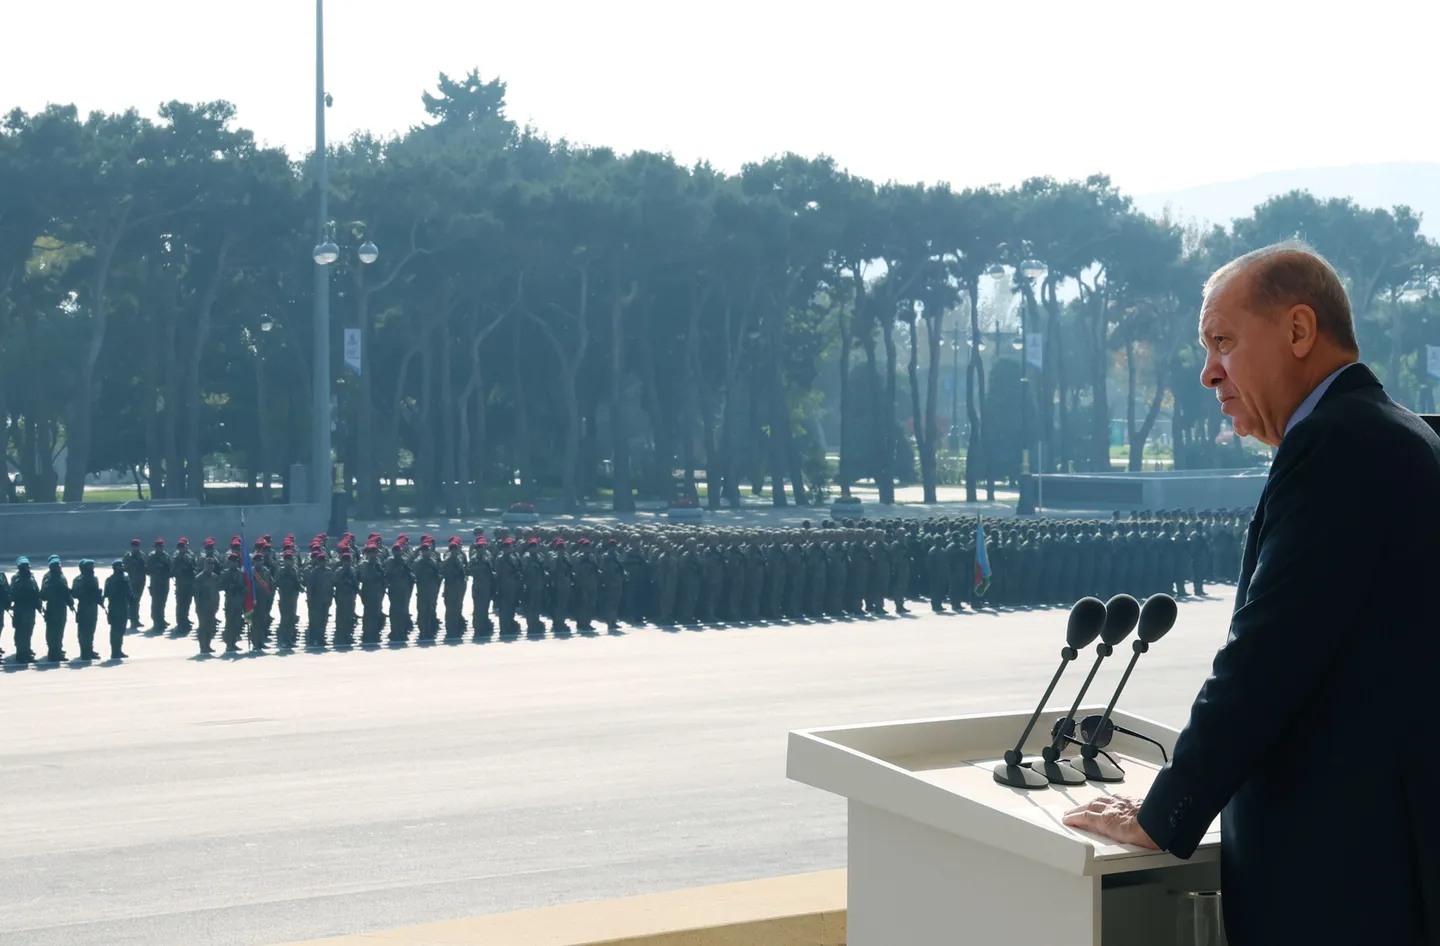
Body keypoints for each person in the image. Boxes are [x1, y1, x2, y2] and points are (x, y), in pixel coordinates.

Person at [1064, 243, 1440, 944]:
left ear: (1299, 331)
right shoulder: (1400, 432)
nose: (1208, 372)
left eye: (1223, 343)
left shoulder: (1337, 446)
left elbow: (1267, 658)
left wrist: (1161, 813)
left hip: (1345, 885)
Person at [39, 555, 73, 662]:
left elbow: (66, 592)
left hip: (60, 606)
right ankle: (54, 652)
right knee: (54, 631)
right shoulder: (51, 578)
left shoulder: (58, 576)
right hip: (54, 606)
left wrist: (70, 602)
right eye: (57, 566)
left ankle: (57, 649)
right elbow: (44, 594)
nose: (59, 567)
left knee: (58, 630)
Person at [71, 559, 104, 660]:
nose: (92, 569)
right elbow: (74, 594)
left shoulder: (94, 578)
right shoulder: (79, 580)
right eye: (91, 567)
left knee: (91, 630)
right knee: (84, 631)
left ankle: (89, 650)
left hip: (92, 606)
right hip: (84, 607)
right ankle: (84, 652)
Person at [102, 560, 132, 659]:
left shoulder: (118, 579)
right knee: (117, 630)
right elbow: (107, 594)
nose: (122, 568)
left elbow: (129, 592)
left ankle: (117, 650)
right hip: (117, 606)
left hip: (119, 606)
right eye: (120, 567)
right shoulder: (116, 580)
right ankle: (115, 651)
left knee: (119, 629)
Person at [146, 538, 172, 632]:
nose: (160, 548)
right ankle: (156, 621)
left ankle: (161, 619)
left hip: (164, 581)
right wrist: (157, 570)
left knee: (163, 602)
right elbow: (148, 569)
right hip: (156, 582)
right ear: (155, 547)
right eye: (158, 546)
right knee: (156, 603)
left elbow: (170, 567)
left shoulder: (166, 555)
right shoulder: (152, 556)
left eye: (161, 546)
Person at [122, 539, 146, 630]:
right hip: (132, 580)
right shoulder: (128, 556)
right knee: (133, 601)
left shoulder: (142, 555)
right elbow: (124, 567)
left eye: (137, 545)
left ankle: (135, 619)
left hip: (141, 580)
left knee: (137, 601)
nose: (136, 547)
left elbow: (146, 566)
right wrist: (132, 564)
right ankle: (133, 620)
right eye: (134, 545)